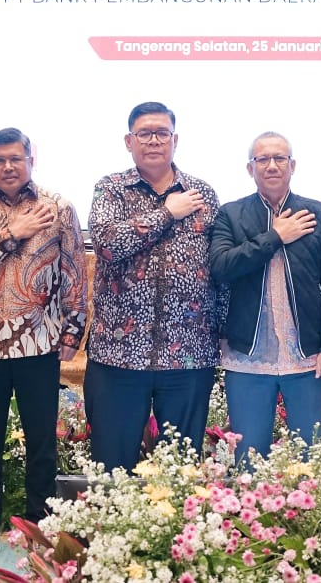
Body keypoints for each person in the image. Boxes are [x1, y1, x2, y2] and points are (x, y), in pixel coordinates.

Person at [0, 128, 88, 568]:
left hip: (39, 342)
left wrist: (72, 331)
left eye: (15, 158)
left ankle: (39, 526)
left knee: (42, 442)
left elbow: (74, 271)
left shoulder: (57, 207)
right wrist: (13, 232)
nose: (8, 167)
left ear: (31, 158)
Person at [86, 101, 223, 473]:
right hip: (118, 354)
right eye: (144, 133)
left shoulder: (202, 193)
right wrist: (167, 213)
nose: (153, 141)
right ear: (128, 141)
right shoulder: (111, 189)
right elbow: (107, 245)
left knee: (179, 469)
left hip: (189, 353)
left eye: (162, 133)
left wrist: (224, 332)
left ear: (175, 140)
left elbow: (220, 267)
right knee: (111, 468)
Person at [209, 132, 321, 462]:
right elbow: (221, 267)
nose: (272, 165)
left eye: (280, 158)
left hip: (307, 355)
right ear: (250, 168)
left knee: (315, 459)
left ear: (292, 165)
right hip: (247, 356)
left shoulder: (317, 214)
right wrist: (275, 236)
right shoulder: (231, 214)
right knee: (248, 461)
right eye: (262, 159)